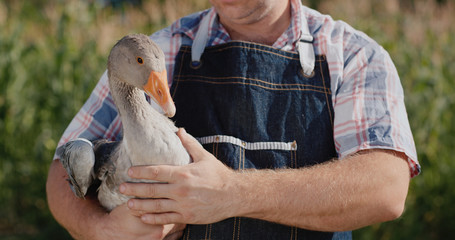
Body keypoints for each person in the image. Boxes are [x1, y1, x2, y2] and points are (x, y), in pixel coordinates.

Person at [46, 0, 421, 239]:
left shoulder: (353, 56)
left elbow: (386, 189)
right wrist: (103, 230)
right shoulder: (158, 49)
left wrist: (231, 194)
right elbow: (63, 172)